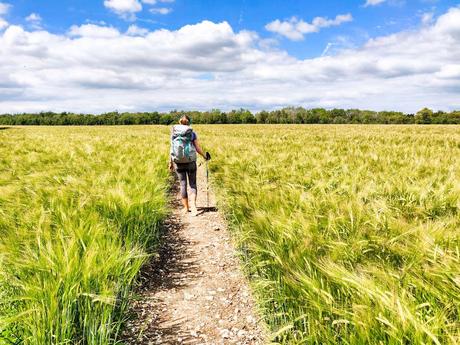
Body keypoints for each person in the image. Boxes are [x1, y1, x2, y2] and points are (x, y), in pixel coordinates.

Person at [169, 115, 208, 216]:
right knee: (193, 184)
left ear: (180, 122)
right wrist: (204, 156)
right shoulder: (192, 134)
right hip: (190, 162)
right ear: (189, 123)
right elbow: (197, 148)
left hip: (178, 162)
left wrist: (170, 162)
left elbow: (172, 148)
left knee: (182, 184)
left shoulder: (174, 133)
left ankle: (186, 208)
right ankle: (194, 207)